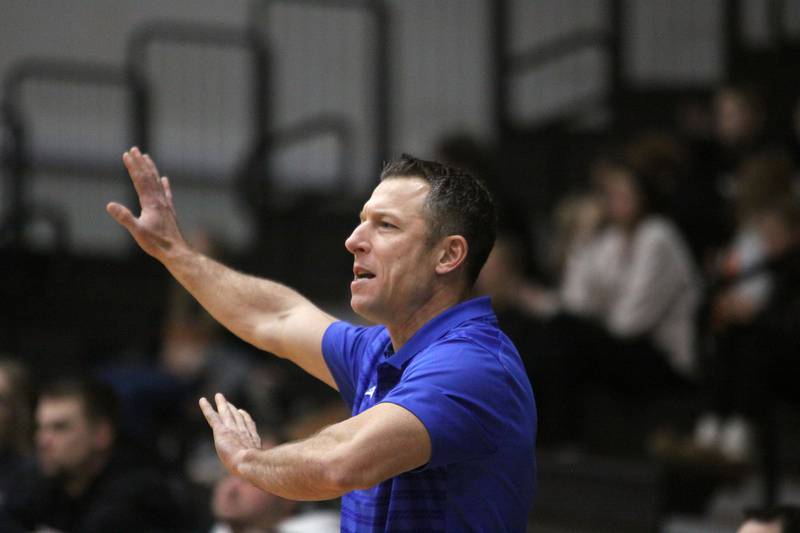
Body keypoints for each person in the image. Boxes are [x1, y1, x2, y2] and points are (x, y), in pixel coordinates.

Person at [106, 147, 537, 531]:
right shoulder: (384, 349)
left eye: (385, 226)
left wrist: (247, 462)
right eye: (360, 221)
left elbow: (343, 462)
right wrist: (173, 252)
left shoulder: (471, 364)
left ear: (448, 255)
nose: (353, 241)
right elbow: (276, 315)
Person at [2, 377, 182, 532]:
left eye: (60, 428)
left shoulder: (138, 494)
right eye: (41, 427)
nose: (43, 441)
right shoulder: (42, 479)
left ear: (101, 434)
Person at [210, 435, 340, 533]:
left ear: (291, 493)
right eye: (228, 474)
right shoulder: (220, 529)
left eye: (249, 479)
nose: (231, 489)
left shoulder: (324, 527)